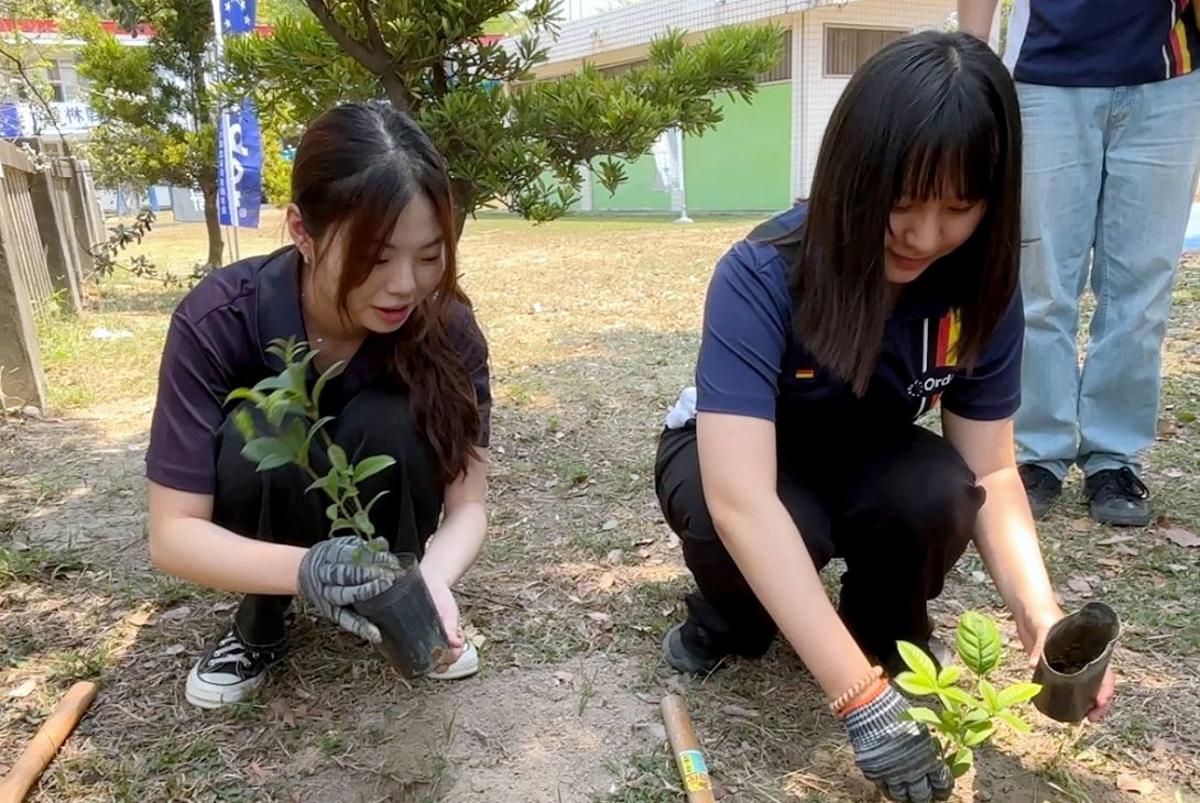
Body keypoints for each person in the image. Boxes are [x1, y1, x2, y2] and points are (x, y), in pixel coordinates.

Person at [654, 32, 1114, 802]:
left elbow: (994, 468)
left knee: (940, 489)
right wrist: (858, 700)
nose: (924, 236)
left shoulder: (979, 295)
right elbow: (741, 499)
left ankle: (879, 629)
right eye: (901, 203)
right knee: (764, 525)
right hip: (740, 465)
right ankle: (732, 621)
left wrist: (1042, 619)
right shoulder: (763, 271)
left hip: (865, 453)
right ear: (851, 175)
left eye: (958, 208)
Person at [145, 102, 491, 709]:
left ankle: (402, 605)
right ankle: (262, 621)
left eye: (429, 256)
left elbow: (470, 505)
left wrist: (431, 582)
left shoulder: (447, 328)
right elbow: (172, 533)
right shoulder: (220, 319)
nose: (405, 285)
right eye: (376, 257)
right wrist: (309, 571)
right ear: (302, 231)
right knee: (271, 425)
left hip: (401, 553)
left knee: (391, 416)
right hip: (260, 533)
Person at [958, 0, 1200, 525]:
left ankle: (1114, 458)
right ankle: (1036, 453)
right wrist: (974, 52)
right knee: (1041, 281)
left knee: (1144, 287)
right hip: (1045, 73)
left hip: (1169, 76)